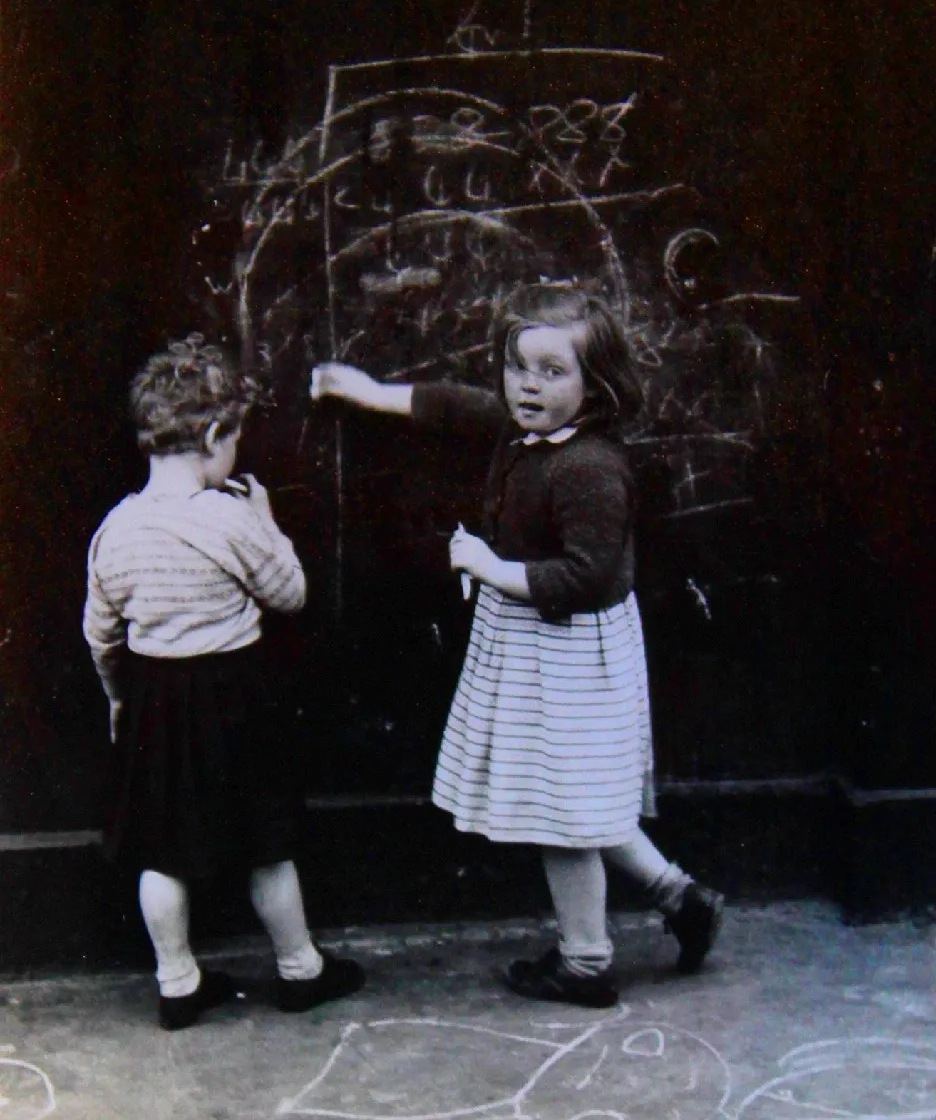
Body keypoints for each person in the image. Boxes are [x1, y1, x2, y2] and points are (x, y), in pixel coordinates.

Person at [310, 282, 724, 1008]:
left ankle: (588, 963)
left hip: (569, 651)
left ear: (596, 385)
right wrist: (374, 394)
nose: (527, 385)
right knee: (578, 802)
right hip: (535, 643)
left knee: (562, 815)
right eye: (517, 366)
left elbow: (590, 575)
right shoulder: (521, 428)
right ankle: (679, 898)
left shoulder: (590, 466)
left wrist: (490, 567)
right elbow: (456, 405)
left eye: (552, 371)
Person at [83, 334, 364, 1029]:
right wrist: (269, 525)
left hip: (156, 703)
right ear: (213, 436)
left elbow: (101, 634)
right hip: (238, 701)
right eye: (233, 438)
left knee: (160, 851)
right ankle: (300, 969)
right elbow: (290, 592)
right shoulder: (230, 517)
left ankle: (176, 982)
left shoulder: (115, 530)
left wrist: (120, 698)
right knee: (268, 847)